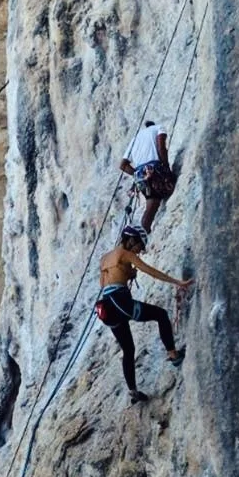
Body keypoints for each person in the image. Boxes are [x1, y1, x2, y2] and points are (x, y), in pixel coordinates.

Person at [97, 226, 193, 403]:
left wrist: (127, 273)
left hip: (106, 308)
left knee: (128, 349)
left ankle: (133, 391)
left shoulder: (104, 258)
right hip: (120, 301)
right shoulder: (126, 254)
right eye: (139, 246)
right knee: (161, 315)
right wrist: (177, 282)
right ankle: (173, 355)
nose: (140, 251)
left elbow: (105, 281)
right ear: (131, 240)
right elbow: (151, 271)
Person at [119, 119, 176, 234]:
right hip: (155, 171)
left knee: (151, 204)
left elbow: (123, 165)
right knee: (172, 183)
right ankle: (142, 235)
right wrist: (166, 168)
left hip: (141, 176)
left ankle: (142, 236)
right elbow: (161, 148)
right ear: (153, 125)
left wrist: (137, 174)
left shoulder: (135, 139)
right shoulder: (159, 127)